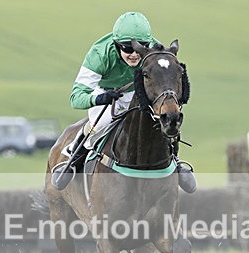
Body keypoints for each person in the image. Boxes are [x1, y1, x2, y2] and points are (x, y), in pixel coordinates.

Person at [51, 11, 196, 193]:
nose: (135, 54)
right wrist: (99, 98)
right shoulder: (100, 54)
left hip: (137, 91)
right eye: (127, 48)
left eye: (140, 47)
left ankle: (175, 160)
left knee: (162, 119)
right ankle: (74, 156)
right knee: (102, 122)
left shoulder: (153, 49)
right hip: (105, 92)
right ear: (116, 44)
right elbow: (76, 97)